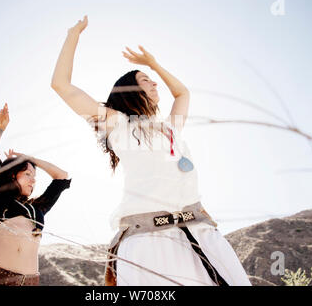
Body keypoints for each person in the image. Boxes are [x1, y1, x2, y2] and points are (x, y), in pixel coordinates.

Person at [51, 16, 251, 286]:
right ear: (130, 90)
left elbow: (182, 94)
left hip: (199, 231)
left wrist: (153, 64)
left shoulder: (170, 128)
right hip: (149, 238)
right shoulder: (117, 124)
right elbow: (61, 86)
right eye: (147, 80)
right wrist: (73, 34)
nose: (155, 84)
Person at [0, 103, 71, 286]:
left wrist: (29, 158)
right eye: (27, 174)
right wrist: (0, 129)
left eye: (34, 176)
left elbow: (61, 177)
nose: (33, 180)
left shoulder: (37, 209)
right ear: (12, 175)